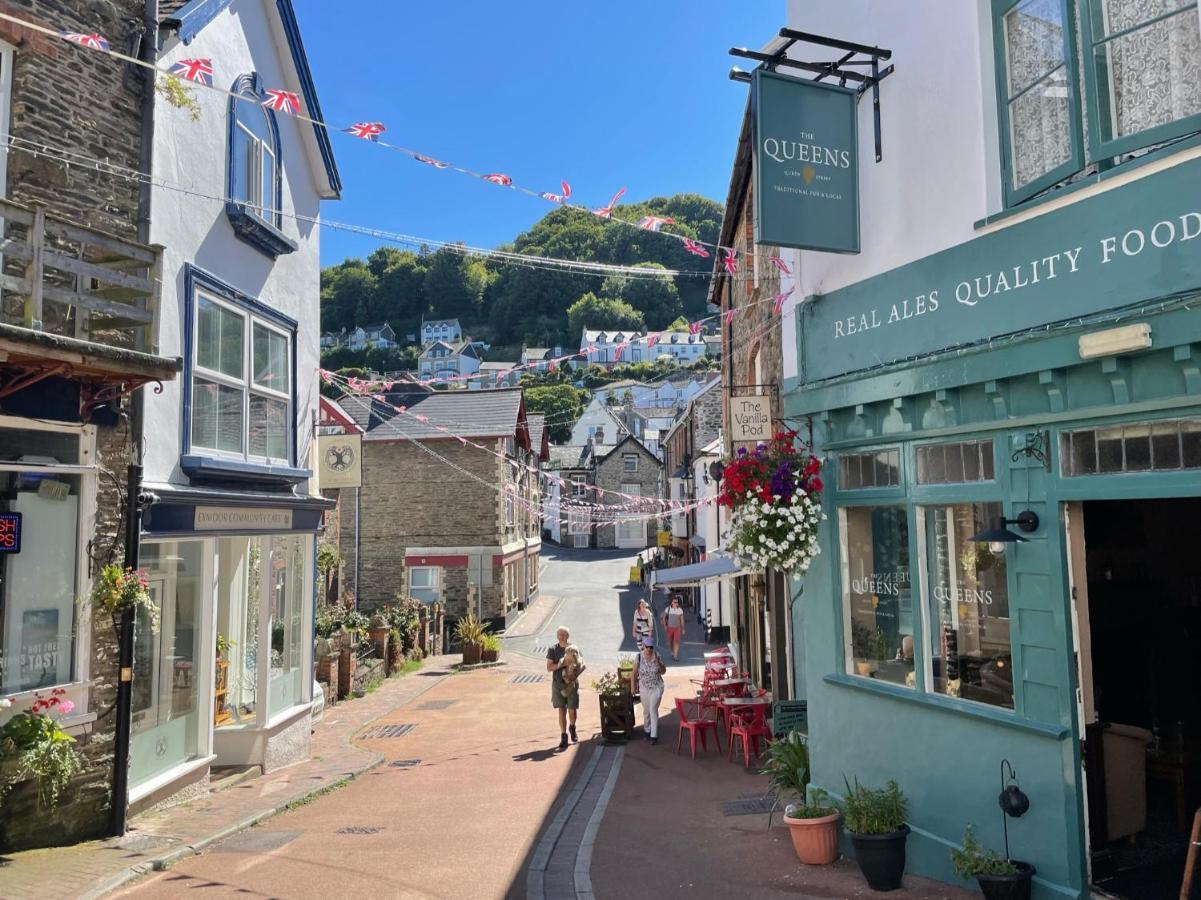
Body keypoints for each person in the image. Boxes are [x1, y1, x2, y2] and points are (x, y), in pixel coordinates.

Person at [546, 626, 584, 750]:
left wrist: (573, 675)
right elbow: (549, 667)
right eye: (560, 634)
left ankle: (572, 727)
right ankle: (563, 736)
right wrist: (561, 664)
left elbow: (582, 664)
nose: (561, 636)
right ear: (557, 636)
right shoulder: (553, 649)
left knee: (572, 710)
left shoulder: (574, 648)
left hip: (572, 684)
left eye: (564, 634)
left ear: (568, 636)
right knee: (561, 710)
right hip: (558, 684)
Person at [629, 635, 666, 744]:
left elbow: (663, 671)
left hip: (656, 686)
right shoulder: (639, 657)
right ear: (643, 647)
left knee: (653, 709)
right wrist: (633, 687)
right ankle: (647, 730)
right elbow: (633, 673)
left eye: (651, 647)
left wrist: (658, 661)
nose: (649, 649)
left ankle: (654, 736)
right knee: (646, 711)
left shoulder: (657, 656)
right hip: (644, 687)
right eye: (647, 647)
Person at [663, 595, 686, 661]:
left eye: (677, 602)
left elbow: (682, 619)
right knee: (670, 642)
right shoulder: (668, 609)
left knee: (676, 641)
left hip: (677, 628)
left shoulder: (680, 610)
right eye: (675, 602)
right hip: (670, 628)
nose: (676, 603)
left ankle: (675, 655)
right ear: (672, 602)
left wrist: (683, 628)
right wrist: (665, 625)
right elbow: (664, 618)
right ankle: (672, 651)